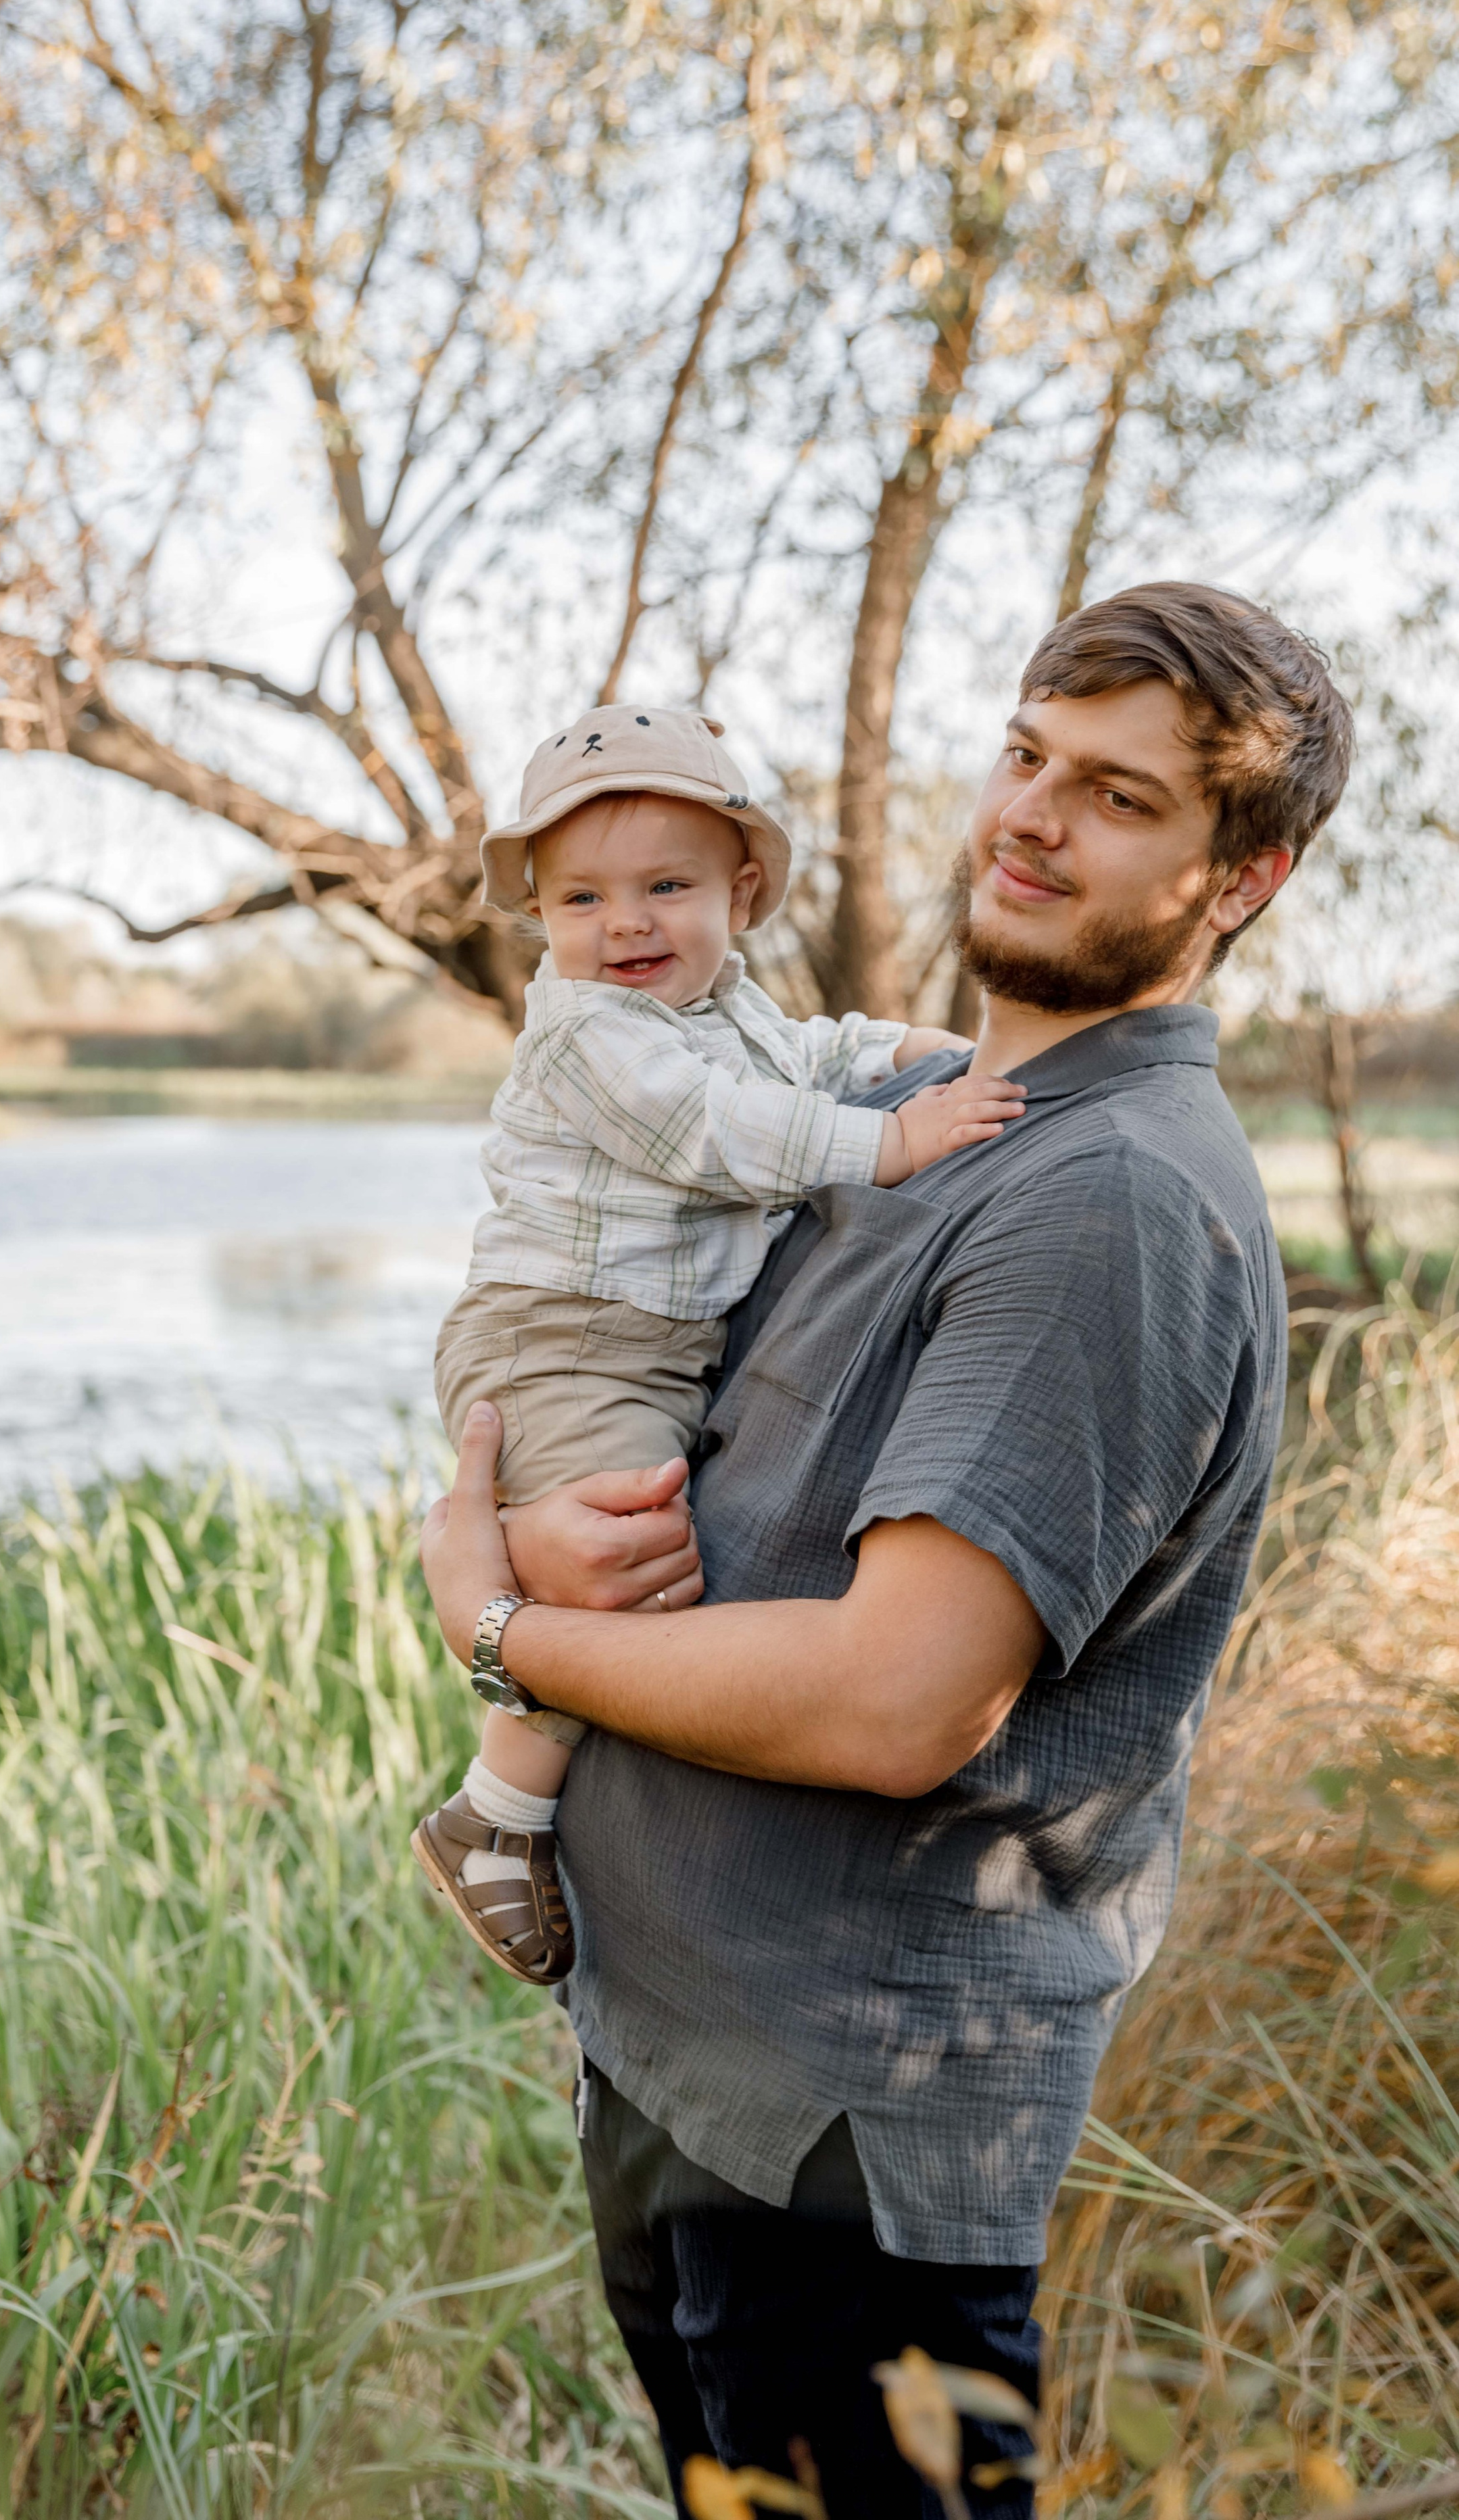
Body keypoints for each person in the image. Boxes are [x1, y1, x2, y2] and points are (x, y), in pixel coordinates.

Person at [419, 583, 1354, 2518]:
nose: (1030, 814)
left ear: (1240, 880)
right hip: (702, 2077)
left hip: (849, 2145)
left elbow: (896, 1701)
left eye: (1116, 797)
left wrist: (499, 1629)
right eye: (1026, 753)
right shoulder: (930, 1112)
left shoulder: (1102, 1197)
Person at [414, 705, 1024, 1983]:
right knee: (621, 1563)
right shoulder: (587, 1032)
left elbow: (818, 1054)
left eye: (666, 886)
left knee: (640, 1548)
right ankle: (498, 1811)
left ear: (741, 895)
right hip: (564, 1341)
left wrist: (941, 1056)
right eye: (581, 897)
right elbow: (715, 1129)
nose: (623, 923)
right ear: (542, 916)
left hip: (650, 1341)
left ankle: (529, 1794)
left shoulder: (733, 1011)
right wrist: (895, 1142)